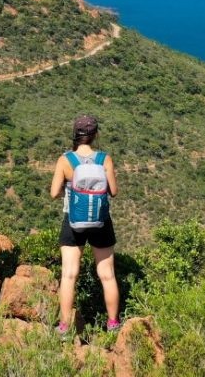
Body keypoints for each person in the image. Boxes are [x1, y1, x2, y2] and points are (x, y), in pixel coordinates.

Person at [48, 115, 121, 334]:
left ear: (75, 134)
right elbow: (114, 191)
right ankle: (113, 324)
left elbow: (53, 193)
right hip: (101, 221)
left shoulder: (65, 160)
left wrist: (69, 189)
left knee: (69, 275)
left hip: (73, 220)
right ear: (95, 135)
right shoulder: (104, 159)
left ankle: (64, 327)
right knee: (107, 275)